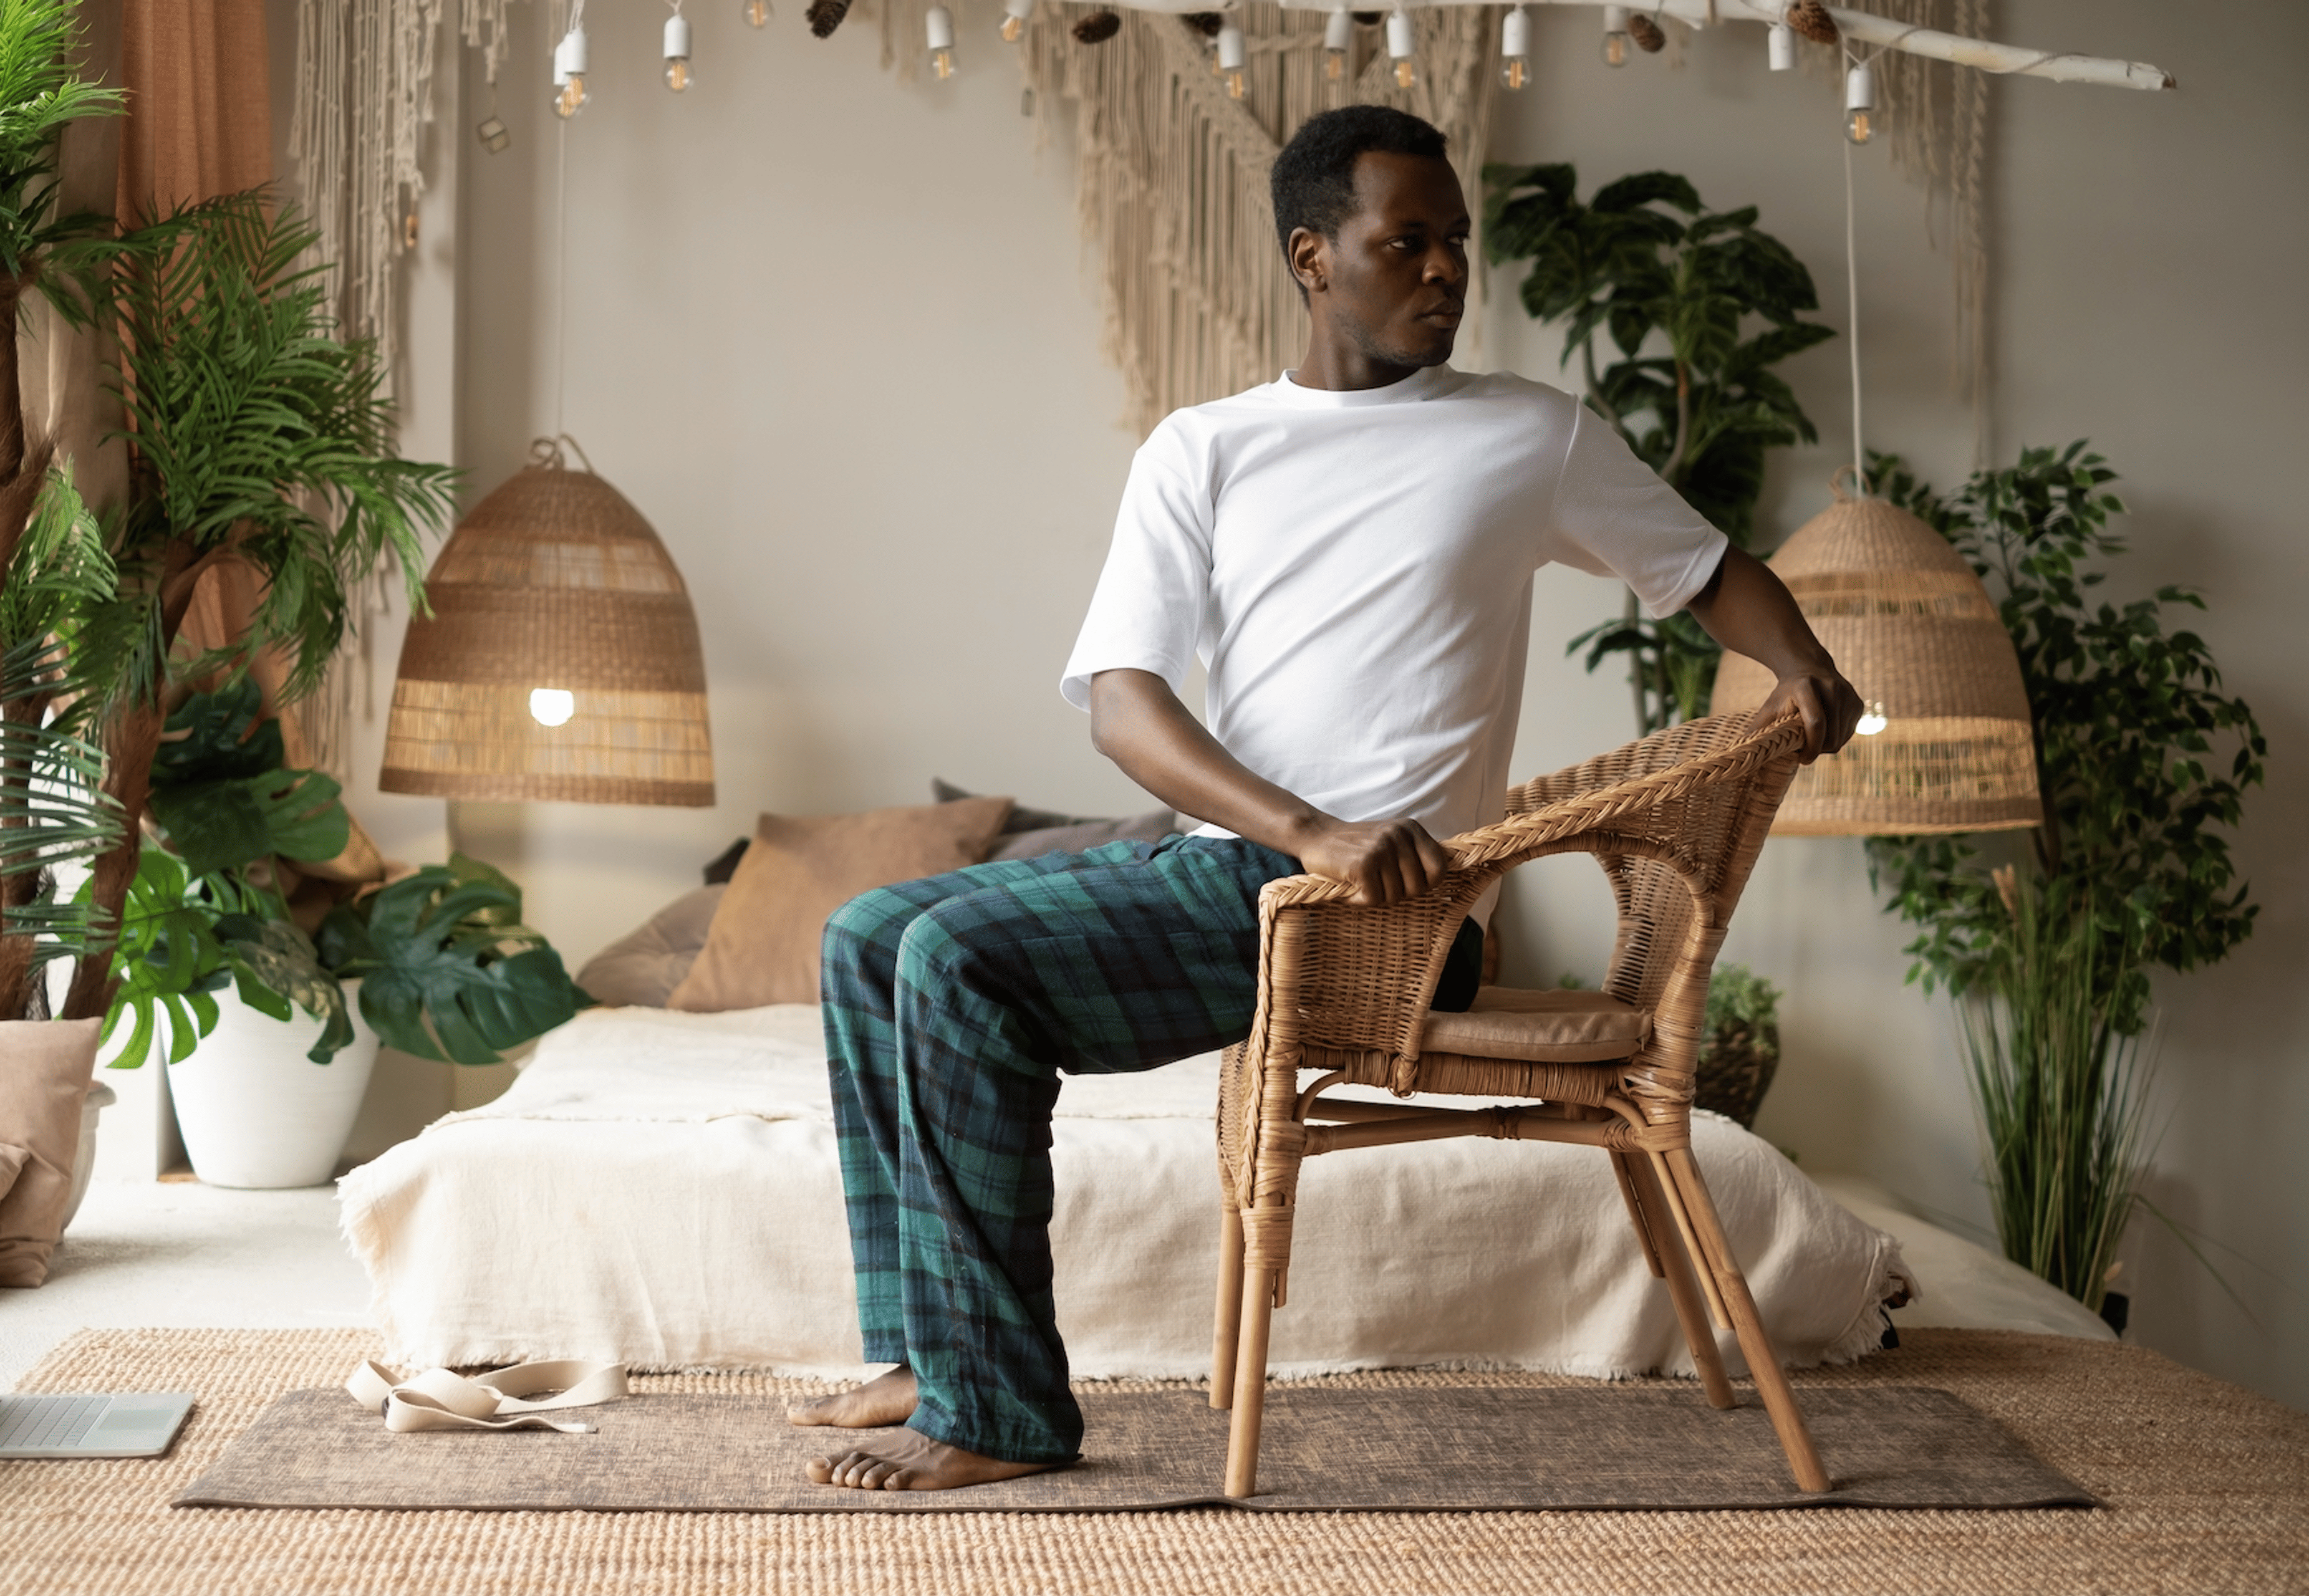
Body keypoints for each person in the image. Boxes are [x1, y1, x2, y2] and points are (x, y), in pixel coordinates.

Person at [794, 105, 1861, 1492]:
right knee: (862, 936)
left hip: (1396, 918)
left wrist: (1805, 664)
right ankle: (930, 1347)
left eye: (1456, 245)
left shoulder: (1528, 437)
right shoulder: (1206, 447)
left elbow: (1712, 569)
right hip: (1259, 871)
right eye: (1403, 242)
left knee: (949, 955)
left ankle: (998, 1410)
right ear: (1313, 255)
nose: (1443, 272)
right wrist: (1303, 823)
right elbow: (1123, 699)